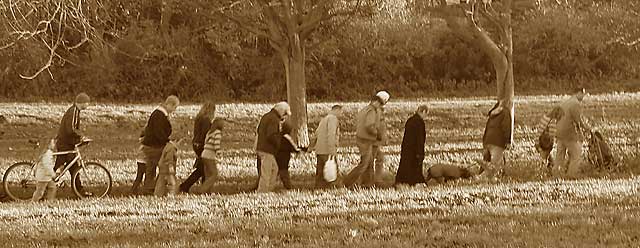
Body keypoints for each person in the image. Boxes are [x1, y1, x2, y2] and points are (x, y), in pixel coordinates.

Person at [344, 91, 390, 188]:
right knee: (364, 164)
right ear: (376, 102)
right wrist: (377, 135)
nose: (382, 105)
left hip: (363, 139)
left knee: (369, 162)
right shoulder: (372, 111)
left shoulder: (365, 109)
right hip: (367, 140)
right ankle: (348, 181)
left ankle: (368, 183)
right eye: (381, 103)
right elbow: (369, 126)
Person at [54, 93, 91, 196]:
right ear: (83, 103)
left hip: (68, 143)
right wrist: (81, 137)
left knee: (74, 168)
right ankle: (46, 186)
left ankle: (80, 192)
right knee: (59, 166)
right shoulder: (73, 111)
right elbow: (71, 129)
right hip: (64, 144)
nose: (88, 105)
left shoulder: (75, 111)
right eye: (87, 103)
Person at [141, 95, 180, 194]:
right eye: (174, 107)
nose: (174, 110)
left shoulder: (159, 114)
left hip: (151, 145)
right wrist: (167, 141)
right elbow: (159, 133)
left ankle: (150, 187)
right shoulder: (159, 115)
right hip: (153, 146)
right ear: (169, 104)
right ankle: (159, 188)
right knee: (164, 164)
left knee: (151, 167)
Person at [554, 87, 591, 178]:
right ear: (579, 93)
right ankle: (571, 175)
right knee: (576, 154)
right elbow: (578, 120)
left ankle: (556, 174)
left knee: (560, 155)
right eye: (583, 94)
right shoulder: (575, 104)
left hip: (558, 132)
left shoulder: (565, 102)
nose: (583, 97)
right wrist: (586, 128)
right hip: (568, 133)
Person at [180, 102, 216, 193]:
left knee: (203, 168)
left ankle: (203, 188)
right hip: (202, 145)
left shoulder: (199, 118)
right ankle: (185, 186)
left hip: (196, 143)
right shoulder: (206, 121)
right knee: (202, 169)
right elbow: (205, 134)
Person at [256, 102, 290, 192]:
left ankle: (269, 189)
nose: (284, 117)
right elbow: (271, 135)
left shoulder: (267, 116)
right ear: (281, 111)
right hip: (267, 149)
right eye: (285, 113)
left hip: (262, 147)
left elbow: (259, 130)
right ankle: (262, 191)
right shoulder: (274, 119)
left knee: (274, 169)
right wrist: (279, 142)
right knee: (267, 171)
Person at [395, 105, 430, 186]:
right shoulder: (420, 122)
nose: (425, 117)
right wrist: (420, 152)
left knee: (405, 164)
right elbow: (420, 139)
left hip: (406, 147)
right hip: (415, 148)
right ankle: (415, 182)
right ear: (423, 111)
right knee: (415, 166)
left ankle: (402, 181)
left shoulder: (410, 120)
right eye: (426, 114)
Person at [310, 105, 343, 188]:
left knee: (320, 172)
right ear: (337, 110)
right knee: (332, 170)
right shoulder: (333, 119)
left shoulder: (324, 119)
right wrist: (332, 150)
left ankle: (318, 188)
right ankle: (335, 187)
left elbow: (316, 135)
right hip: (327, 150)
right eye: (340, 112)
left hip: (319, 149)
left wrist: (311, 146)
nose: (341, 114)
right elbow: (331, 134)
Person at [480, 100, 512, 180]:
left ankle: (481, 176)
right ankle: (482, 179)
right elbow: (506, 128)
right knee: (494, 165)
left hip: (487, 141)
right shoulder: (505, 112)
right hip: (497, 141)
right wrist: (507, 141)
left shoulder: (493, 114)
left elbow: (487, 128)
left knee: (485, 163)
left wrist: (484, 142)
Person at [194, 118, 225, 193]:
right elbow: (216, 144)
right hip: (209, 156)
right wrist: (219, 153)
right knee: (214, 174)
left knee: (208, 174)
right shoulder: (217, 133)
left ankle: (207, 191)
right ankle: (201, 190)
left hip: (204, 154)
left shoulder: (210, 132)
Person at [275, 120, 302, 189]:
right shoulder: (287, 138)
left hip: (276, 157)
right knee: (284, 174)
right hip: (284, 159)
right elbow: (293, 148)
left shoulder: (277, 136)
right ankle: (288, 187)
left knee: (274, 173)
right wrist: (300, 150)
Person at [536, 106, 564, 172]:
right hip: (545, 144)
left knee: (549, 160)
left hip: (539, 141)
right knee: (544, 160)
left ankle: (549, 172)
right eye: (560, 117)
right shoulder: (553, 122)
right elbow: (552, 136)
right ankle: (541, 173)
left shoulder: (545, 117)